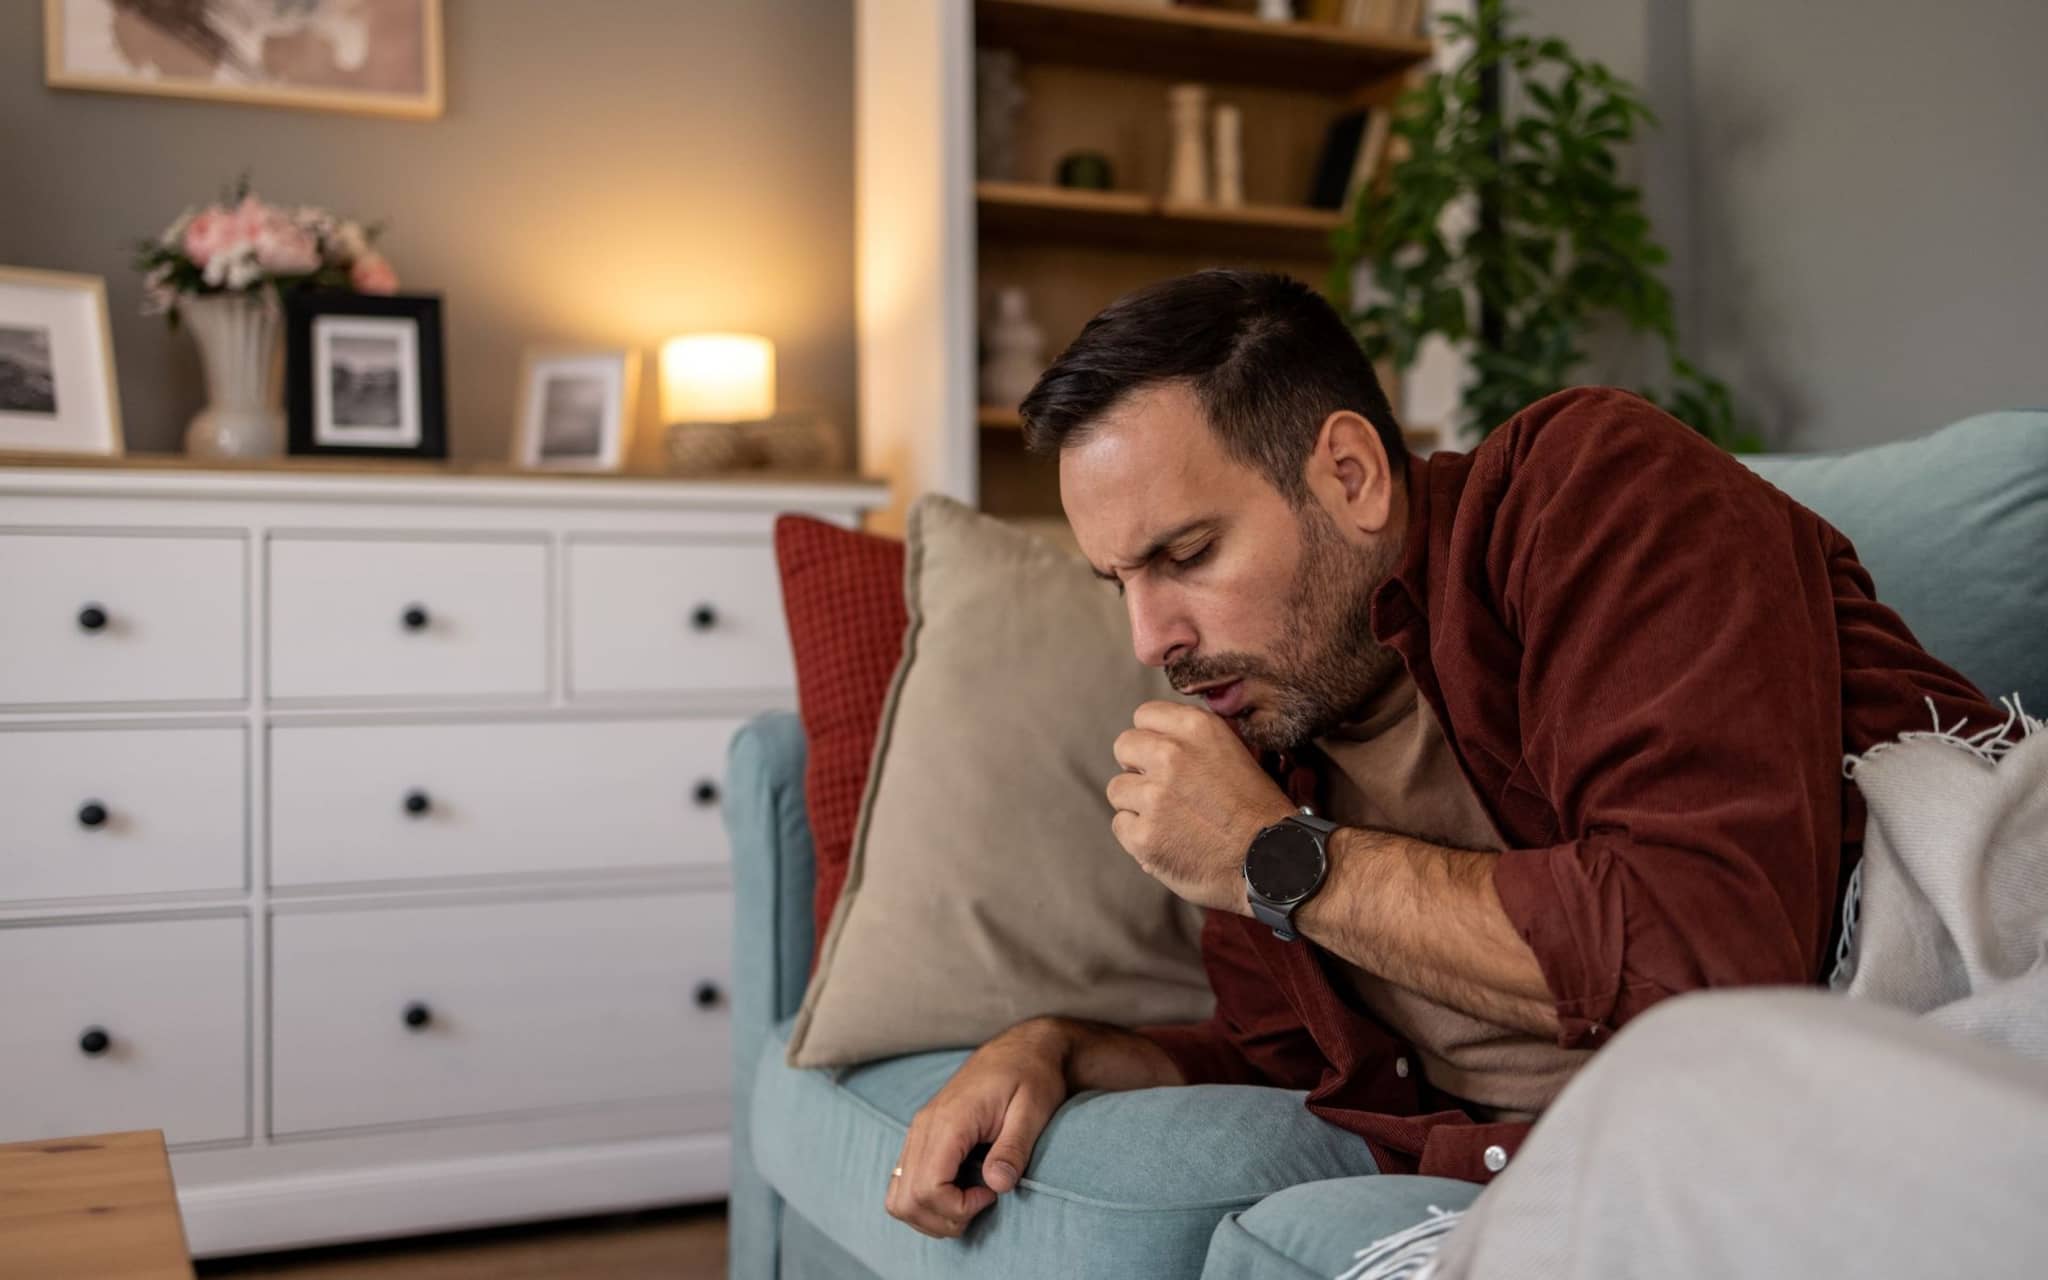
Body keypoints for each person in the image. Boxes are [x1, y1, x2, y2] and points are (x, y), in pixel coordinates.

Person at [882, 268, 1994, 1240]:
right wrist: (1052, 1047)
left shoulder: (1586, 491)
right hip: (1591, 1155)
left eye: (1186, 552)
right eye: (1118, 579)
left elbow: (1706, 957)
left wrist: (1277, 857)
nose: (1149, 638)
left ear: (1351, 474)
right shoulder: (1259, 735)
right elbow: (1286, 1058)